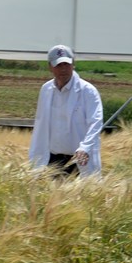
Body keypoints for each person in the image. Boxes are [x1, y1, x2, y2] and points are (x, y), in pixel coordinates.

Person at [28, 44, 103, 177]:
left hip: (80, 159)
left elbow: (95, 122)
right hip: (53, 159)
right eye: (58, 65)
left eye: (66, 64)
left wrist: (85, 147)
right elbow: (40, 123)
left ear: (73, 64)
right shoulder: (46, 90)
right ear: (50, 67)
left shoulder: (88, 91)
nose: (63, 69)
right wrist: (36, 153)